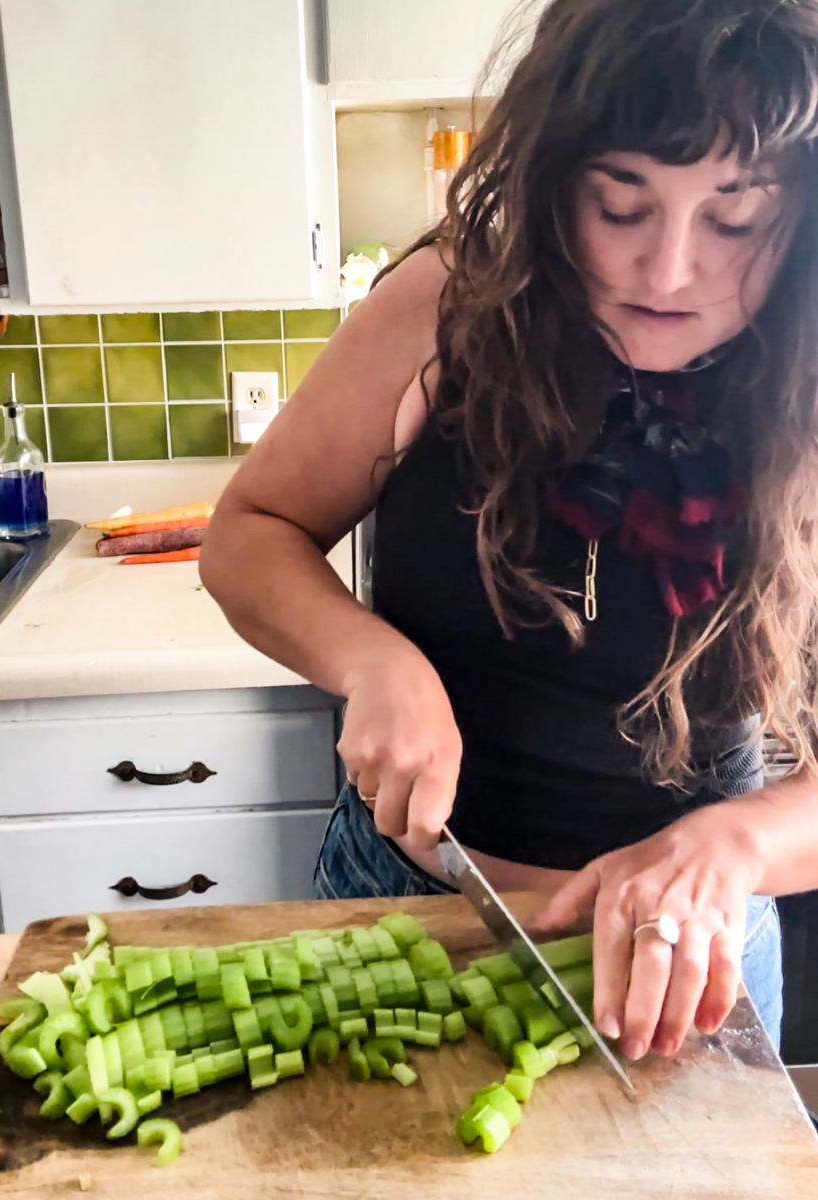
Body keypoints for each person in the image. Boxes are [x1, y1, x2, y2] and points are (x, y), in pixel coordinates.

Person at [200, 0, 818, 1066]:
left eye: (732, 217)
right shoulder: (443, 309)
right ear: (548, 179)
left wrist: (732, 840)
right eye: (619, 203)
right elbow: (249, 532)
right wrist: (370, 661)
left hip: (686, 961)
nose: (665, 270)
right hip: (400, 908)